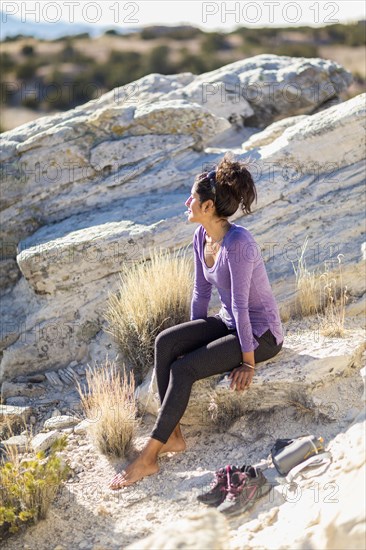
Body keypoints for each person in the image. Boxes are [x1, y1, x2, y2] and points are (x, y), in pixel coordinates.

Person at [108, 152, 284, 489]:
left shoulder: (239, 243)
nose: (187, 201)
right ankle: (173, 434)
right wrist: (193, 337)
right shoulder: (201, 237)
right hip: (230, 320)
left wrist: (248, 363)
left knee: (182, 369)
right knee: (166, 342)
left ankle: (149, 457)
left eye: (193, 197)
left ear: (208, 208)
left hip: (261, 335)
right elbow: (200, 293)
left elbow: (243, 307)